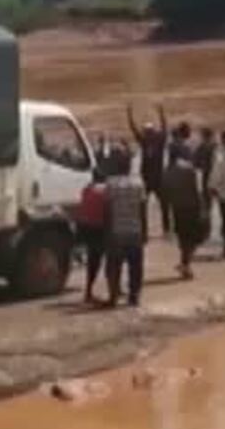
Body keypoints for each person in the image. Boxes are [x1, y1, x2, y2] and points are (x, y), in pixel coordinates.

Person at [102, 149, 147, 308]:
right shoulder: (138, 183)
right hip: (135, 231)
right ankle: (134, 297)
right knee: (136, 267)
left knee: (114, 266)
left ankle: (113, 297)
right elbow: (142, 210)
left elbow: (107, 211)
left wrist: (107, 233)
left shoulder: (110, 184)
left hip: (116, 232)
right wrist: (145, 232)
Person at [163, 144, 208, 279]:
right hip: (192, 207)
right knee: (197, 236)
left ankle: (185, 262)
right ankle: (186, 263)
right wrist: (204, 208)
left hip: (178, 208)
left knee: (183, 237)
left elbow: (165, 195)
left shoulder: (167, 172)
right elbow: (199, 191)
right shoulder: (191, 169)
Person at [126, 104, 170, 239]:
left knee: (142, 206)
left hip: (146, 178)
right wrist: (161, 112)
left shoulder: (144, 140)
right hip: (158, 177)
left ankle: (144, 232)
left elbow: (133, 129)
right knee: (164, 205)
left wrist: (129, 114)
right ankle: (167, 230)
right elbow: (165, 128)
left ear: (146, 131)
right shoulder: (160, 140)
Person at [73, 165, 110, 305]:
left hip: (88, 229)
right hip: (101, 229)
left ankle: (88, 291)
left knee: (93, 261)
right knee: (110, 259)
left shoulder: (86, 190)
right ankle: (114, 288)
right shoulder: (105, 191)